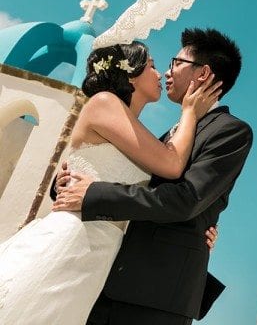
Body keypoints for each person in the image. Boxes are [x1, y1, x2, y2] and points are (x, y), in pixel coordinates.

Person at [0, 41, 222, 325]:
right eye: (153, 66)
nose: (160, 75)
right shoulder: (104, 102)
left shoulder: (143, 138)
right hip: (74, 240)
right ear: (130, 75)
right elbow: (172, 164)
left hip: (105, 256)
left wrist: (196, 229)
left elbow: (157, 196)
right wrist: (190, 112)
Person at [55, 28, 253, 324]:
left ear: (203, 73)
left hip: (156, 296)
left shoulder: (230, 131)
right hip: (107, 278)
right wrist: (66, 184)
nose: (167, 72)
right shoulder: (166, 138)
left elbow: (185, 200)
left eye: (176, 62)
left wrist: (94, 193)